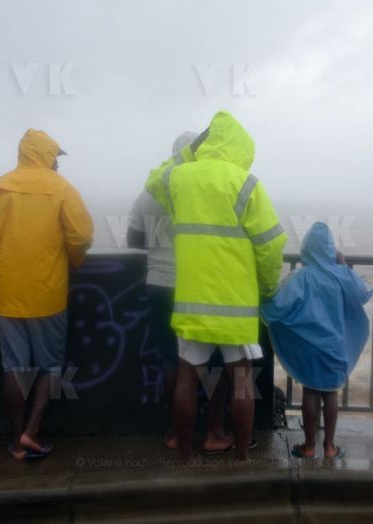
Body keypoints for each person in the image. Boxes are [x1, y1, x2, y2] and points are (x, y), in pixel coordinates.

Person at [146, 111, 287, 461]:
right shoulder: (246, 183)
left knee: (186, 378)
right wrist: (268, 288)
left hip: (191, 301)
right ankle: (240, 455)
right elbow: (271, 245)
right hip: (236, 306)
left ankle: (186, 457)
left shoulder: (179, 178)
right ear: (240, 146)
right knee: (240, 380)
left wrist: (187, 152)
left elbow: (153, 179)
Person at [0, 129, 93, 461]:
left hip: (7, 293)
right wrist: (73, 260)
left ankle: (15, 439)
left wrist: (2, 255)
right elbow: (80, 236)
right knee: (50, 367)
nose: (57, 164)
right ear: (47, 155)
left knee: (14, 367)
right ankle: (32, 432)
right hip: (48, 294)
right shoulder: (62, 189)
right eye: (55, 157)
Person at [127, 131, 233, 453]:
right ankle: (214, 432)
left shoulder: (150, 191)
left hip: (159, 285)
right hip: (197, 286)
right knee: (211, 364)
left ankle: (175, 434)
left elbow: (133, 240)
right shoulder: (200, 187)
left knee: (171, 364)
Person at [261, 222, 373, 460]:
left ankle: (309, 445)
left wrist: (259, 302)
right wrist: (343, 266)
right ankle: (330, 447)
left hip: (309, 347)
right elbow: (364, 291)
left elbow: (279, 306)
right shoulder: (342, 275)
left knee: (311, 392)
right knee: (331, 393)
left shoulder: (301, 277)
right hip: (335, 346)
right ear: (331, 249)